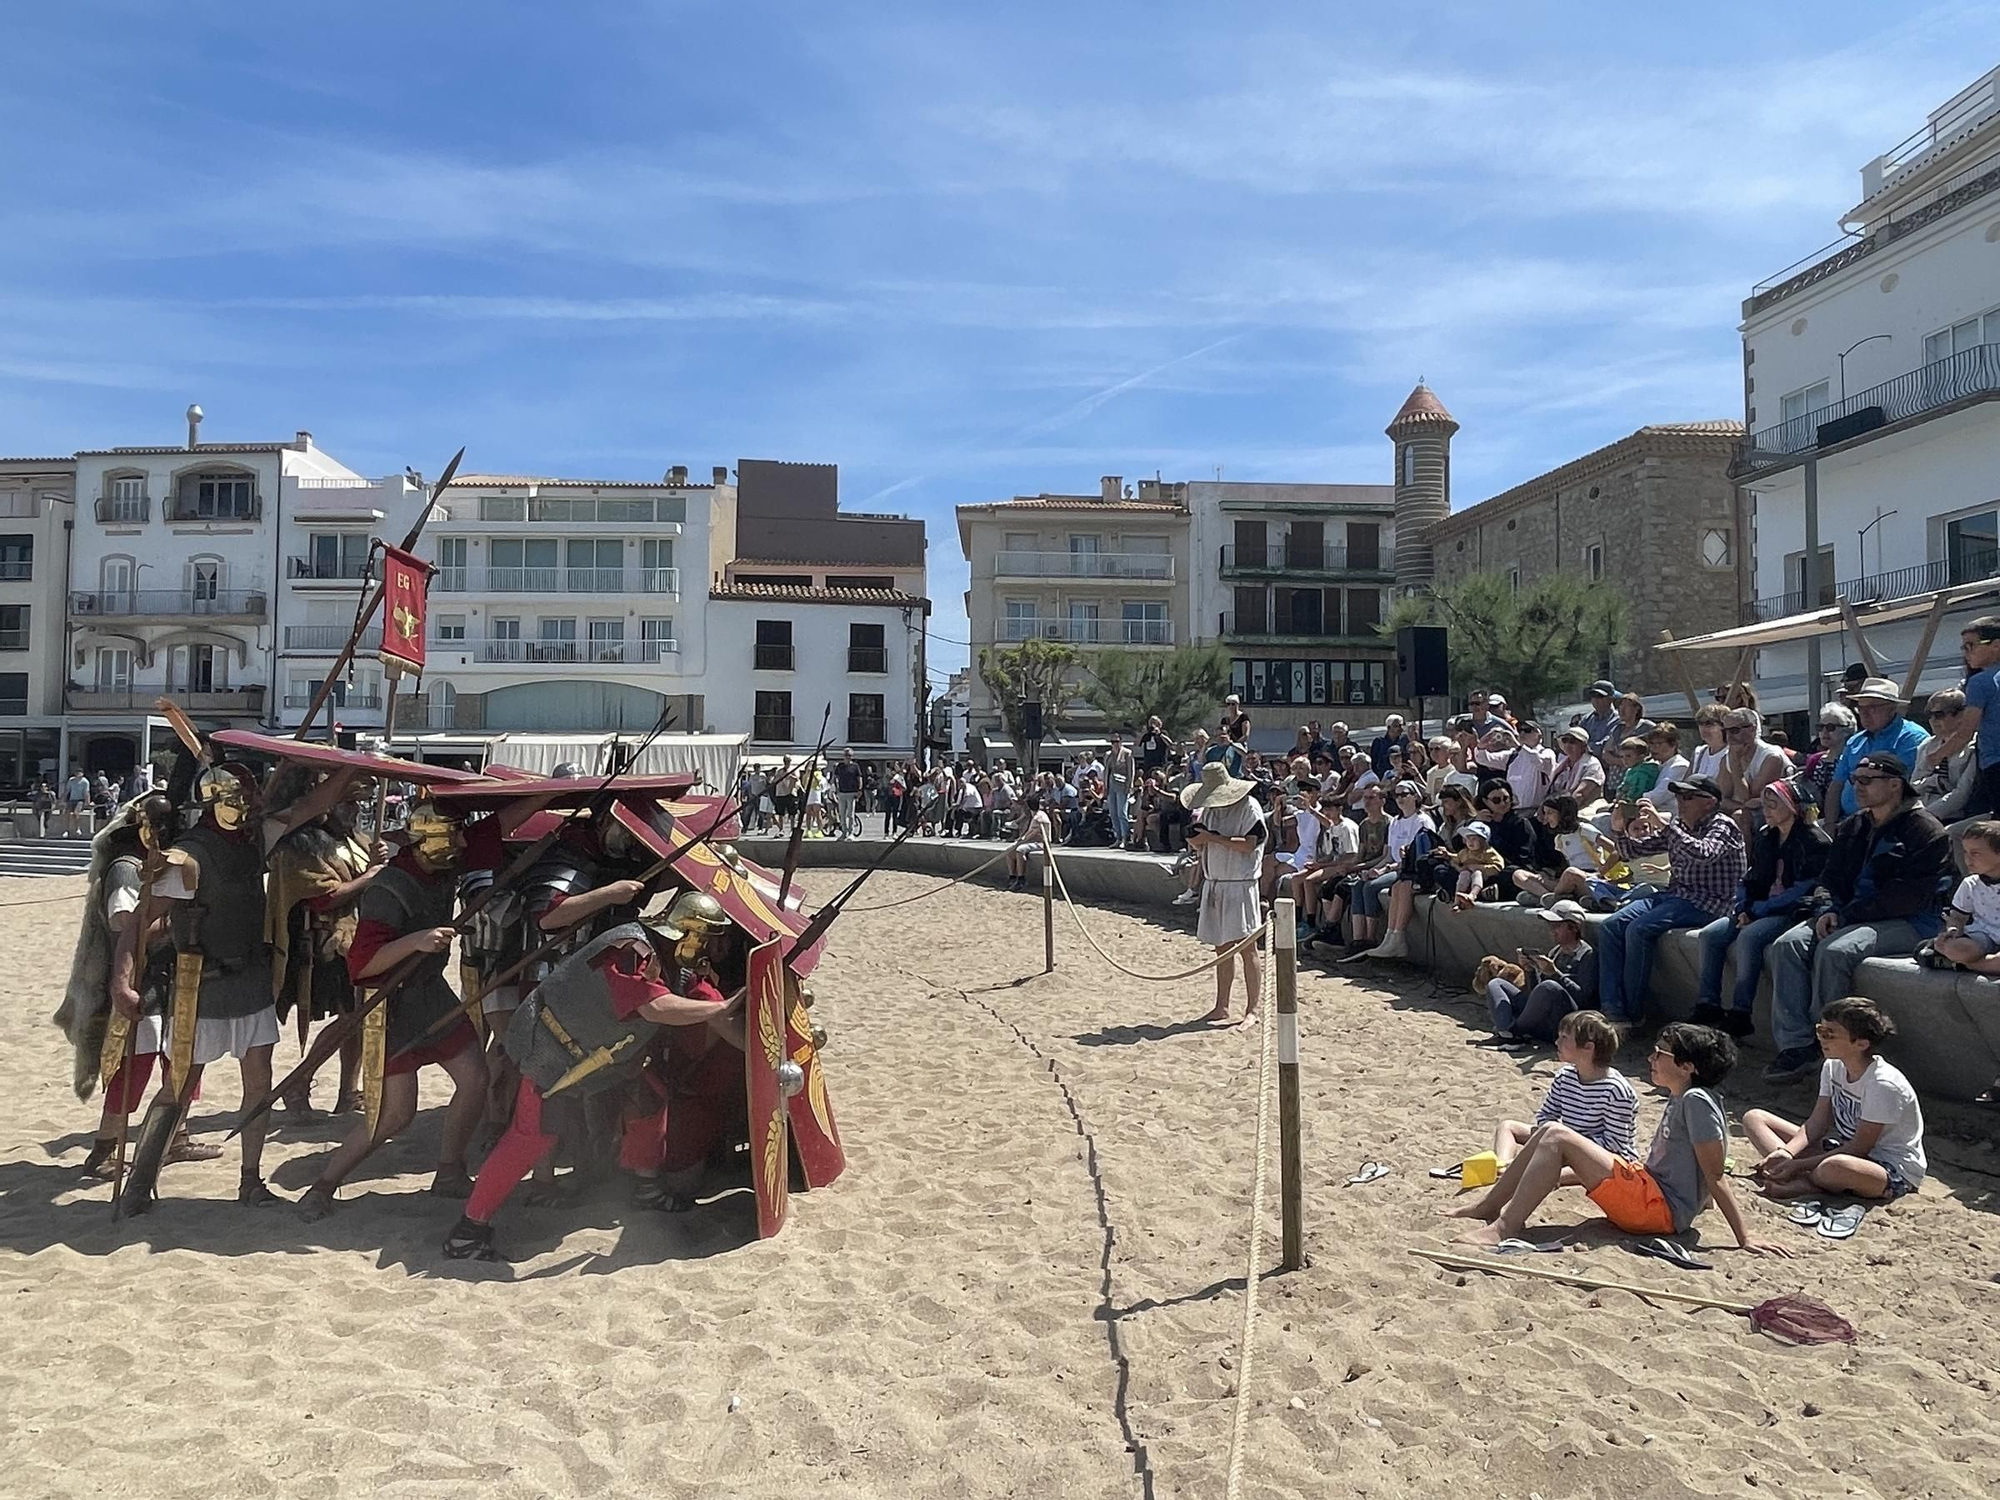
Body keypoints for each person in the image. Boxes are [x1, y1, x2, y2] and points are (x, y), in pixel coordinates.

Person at [443, 894, 736, 1261]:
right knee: (530, 1136)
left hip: (605, 1058)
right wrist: (721, 1007)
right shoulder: (630, 950)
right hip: (553, 1049)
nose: (712, 947)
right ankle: (468, 1231)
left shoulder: (676, 961)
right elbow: (655, 1006)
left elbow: (714, 1013)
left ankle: (646, 1188)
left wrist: (753, 1038)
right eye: (708, 938)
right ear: (689, 933)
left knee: (649, 1098)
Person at [297, 801, 490, 1221]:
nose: (461, 841)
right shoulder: (391, 889)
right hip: (392, 1006)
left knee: (476, 1078)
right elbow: (362, 965)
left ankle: (450, 1171)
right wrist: (416, 940)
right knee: (395, 1116)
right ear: (432, 838)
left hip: (431, 993)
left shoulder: (438, 869)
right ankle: (324, 1185)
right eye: (453, 833)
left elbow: (492, 833)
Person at [1447, 1023, 1790, 1257]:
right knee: (1549, 1133)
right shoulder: (1684, 1097)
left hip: (1658, 1211)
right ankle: (1489, 1208)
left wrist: (1745, 1238)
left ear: (1687, 1066)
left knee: (1556, 1135)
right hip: (1652, 1192)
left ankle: (1504, 1226)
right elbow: (1697, 1173)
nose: (1651, 1058)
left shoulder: (1696, 1101)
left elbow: (1714, 1175)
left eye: (1661, 1054)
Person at [1762, 753, 1949, 1083]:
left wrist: (1843, 915)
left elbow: (1905, 898)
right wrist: (1826, 908)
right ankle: (1796, 1046)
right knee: (1786, 945)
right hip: (1849, 914)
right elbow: (1829, 878)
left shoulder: (1926, 831)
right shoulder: (1854, 825)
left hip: (1912, 921)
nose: (1857, 787)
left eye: (1866, 781)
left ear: (1895, 785)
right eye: (1854, 780)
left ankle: (1832, 1046)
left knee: (1835, 951)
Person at [266, 766, 386, 1117]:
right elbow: (324, 897)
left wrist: (376, 863)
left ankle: (348, 1092)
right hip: (326, 945)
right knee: (353, 1018)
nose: (356, 811)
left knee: (359, 1020)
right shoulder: (299, 847)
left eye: (359, 804)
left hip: (359, 940)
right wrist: (370, 876)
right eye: (348, 802)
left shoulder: (354, 841)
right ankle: (298, 1083)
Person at [1744, 997, 1925, 1204]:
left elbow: (1860, 1147)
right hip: (1843, 1149)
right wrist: (1787, 1152)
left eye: (1829, 1034)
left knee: (1835, 1167)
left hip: (1888, 1167)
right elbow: (1817, 1123)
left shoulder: (1883, 1084)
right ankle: (1799, 1176)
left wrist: (1798, 1164)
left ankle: (1805, 1183)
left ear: (1861, 1044)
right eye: (1820, 1030)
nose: (1821, 1039)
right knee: (1755, 1119)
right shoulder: (1833, 1066)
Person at [1597, 775, 1747, 1024]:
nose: (1680, 802)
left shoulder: (1723, 825)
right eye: (1678, 797)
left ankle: (1633, 1015)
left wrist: (1665, 826)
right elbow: (1635, 850)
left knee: (1638, 929)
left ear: (1709, 802)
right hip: (1675, 895)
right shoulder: (1681, 826)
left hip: (1708, 903)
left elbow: (1703, 853)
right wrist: (1620, 828)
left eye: (1687, 797)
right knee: (1610, 926)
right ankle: (1613, 1008)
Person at [1693, 779, 1830, 1039]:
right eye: (1765, 805)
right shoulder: (1768, 836)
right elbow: (1751, 877)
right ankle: (1708, 1003)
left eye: (1773, 804)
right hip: (1756, 907)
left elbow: (1804, 889)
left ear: (1792, 807)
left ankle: (1741, 1013)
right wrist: (1743, 906)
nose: (1766, 810)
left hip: (1791, 911)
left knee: (1749, 937)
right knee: (1710, 934)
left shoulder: (1815, 841)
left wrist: (1757, 911)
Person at [1488, 1010, 1634, 1166]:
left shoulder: (1615, 1090)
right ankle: (1502, 1166)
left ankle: (1518, 1168)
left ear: (1588, 1048)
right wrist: (1552, 1137)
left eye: (1564, 1038)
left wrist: (1570, 1143)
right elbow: (1547, 1114)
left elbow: (1615, 1144)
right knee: (1508, 1127)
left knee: (1553, 1172)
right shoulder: (1565, 1075)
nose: (1557, 1042)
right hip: (1563, 1142)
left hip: (1600, 1158)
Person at [1182, 762, 1266, 1026]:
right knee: (1222, 947)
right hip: (1216, 881)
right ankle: (1222, 1005)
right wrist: (1198, 839)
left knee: (1246, 947)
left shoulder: (1249, 807)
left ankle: (1253, 1008)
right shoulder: (1210, 811)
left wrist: (1213, 838)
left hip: (1240, 884)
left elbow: (1250, 845)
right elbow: (1199, 842)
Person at [1912, 616, 2000, 819]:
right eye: (1964, 647)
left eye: (1971, 645)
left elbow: (1966, 732)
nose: (1966, 653)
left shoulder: (1979, 682)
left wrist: (1936, 756)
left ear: (1996, 645)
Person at [1482, 900, 1598, 1044]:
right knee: (1496, 984)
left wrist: (1555, 974)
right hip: (1541, 1017)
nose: (1552, 931)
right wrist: (1530, 970)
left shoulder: (1587, 955)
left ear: (1573, 928)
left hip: (1562, 1021)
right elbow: (1535, 993)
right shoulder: (1556, 952)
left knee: (1550, 986)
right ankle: (1506, 1032)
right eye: (1551, 926)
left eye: (1557, 926)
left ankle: (1514, 1032)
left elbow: (1583, 998)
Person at [1824, 678, 1928, 821]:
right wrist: (1829, 824)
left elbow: (1901, 789)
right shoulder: (1854, 741)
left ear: (1892, 708)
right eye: (1860, 708)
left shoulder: (1911, 738)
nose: (1865, 714)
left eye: (1872, 708)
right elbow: (1836, 786)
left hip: (1892, 821)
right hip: (1849, 822)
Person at [1717, 708, 1789, 825]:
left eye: (1734, 730)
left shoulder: (1771, 756)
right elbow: (1723, 798)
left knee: (1740, 816)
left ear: (1752, 728)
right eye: (1725, 732)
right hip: (1746, 809)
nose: (1729, 737)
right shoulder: (1726, 757)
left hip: (1775, 811)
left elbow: (1750, 797)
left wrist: (1735, 765)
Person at [1802, 704, 1856, 808]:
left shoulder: (1854, 759)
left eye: (1831, 727)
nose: (1824, 732)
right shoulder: (1814, 760)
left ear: (1847, 730)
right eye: (1820, 727)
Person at [1449, 819, 1504, 909]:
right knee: (1464, 874)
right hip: (1467, 877)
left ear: (1482, 841)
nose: (1470, 842)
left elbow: (1498, 866)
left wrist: (1478, 867)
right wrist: (1459, 868)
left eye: (1474, 839)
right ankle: (1457, 900)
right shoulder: (1464, 852)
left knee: (1477, 873)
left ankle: (1472, 895)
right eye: (1468, 839)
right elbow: (1454, 860)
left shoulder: (1488, 852)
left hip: (1485, 879)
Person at [1547, 728, 1606, 806]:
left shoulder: (1592, 764)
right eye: (1565, 741)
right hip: (1559, 808)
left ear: (1583, 745)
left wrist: (1562, 813)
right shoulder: (1561, 766)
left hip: (1587, 809)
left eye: (1572, 742)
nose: (1567, 745)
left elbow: (1580, 795)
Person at [1574, 681, 1622, 760]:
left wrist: (1585, 748)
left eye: (1600, 696)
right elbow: (1576, 740)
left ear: (1610, 698)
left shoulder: (1618, 720)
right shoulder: (1586, 719)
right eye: (1593, 696)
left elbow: (1606, 745)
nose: (1596, 700)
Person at [1104, 732, 1135, 848]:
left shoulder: (1127, 753)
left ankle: (1125, 837)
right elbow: (1106, 771)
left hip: (1122, 786)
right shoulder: (1108, 754)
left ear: (1121, 742)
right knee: (1113, 813)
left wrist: (1130, 785)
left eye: (1117, 742)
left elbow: (1131, 770)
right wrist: (1105, 787)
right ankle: (1117, 837)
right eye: (1112, 742)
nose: (1115, 744)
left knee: (1122, 812)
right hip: (1111, 785)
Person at [832, 750, 863, 839]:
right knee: (842, 814)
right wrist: (835, 789)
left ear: (852, 756)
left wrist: (860, 790)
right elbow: (836, 778)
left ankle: (851, 832)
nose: (847, 757)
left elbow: (859, 778)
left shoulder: (855, 766)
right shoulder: (840, 766)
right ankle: (844, 832)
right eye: (846, 755)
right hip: (841, 792)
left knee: (850, 814)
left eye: (849, 755)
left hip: (852, 792)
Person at [64, 766, 91, 837]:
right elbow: (67, 790)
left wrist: (87, 801)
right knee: (68, 813)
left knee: (76, 813)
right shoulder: (71, 780)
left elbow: (86, 792)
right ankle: (67, 830)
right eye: (76, 773)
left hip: (80, 800)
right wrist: (63, 799)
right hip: (72, 799)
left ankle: (78, 828)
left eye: (79, 773)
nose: (77, 774)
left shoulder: (85, 782)